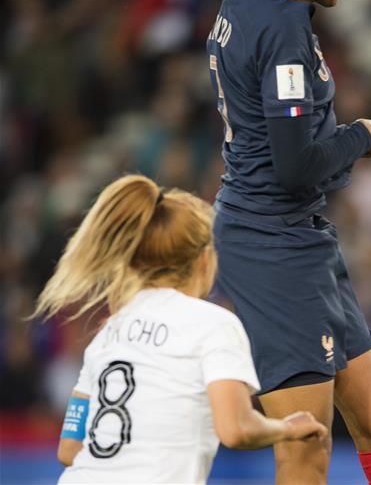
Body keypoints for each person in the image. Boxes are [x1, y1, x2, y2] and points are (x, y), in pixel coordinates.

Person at [206, 0, 371, 483]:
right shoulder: (282, 30)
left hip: (298, 235)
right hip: (270, 245)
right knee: (307, 443)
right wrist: (362, 137)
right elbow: (294, 164)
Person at [31, 174, 328, 484]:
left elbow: (69, 448)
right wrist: (288, 428)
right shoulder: (213, 324)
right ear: (203, 259)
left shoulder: (109, 331)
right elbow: (236, 428)